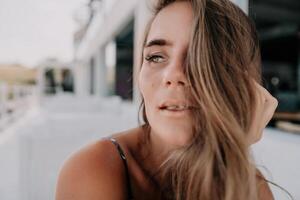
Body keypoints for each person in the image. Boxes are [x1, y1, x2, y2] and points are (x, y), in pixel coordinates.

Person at [55, 0, 279, 199]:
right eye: (156, 57)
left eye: (199, 58)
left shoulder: (251, 185)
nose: (173, 75)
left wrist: (231, 157)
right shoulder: (93, 169)